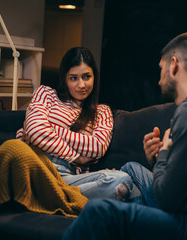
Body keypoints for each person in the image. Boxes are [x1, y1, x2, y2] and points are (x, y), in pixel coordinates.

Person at [62, 33, 187, 240]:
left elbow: (167, 200)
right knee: (130, 168)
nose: (159, 78)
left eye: (161, 68)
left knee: (98, 211)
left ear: (174, 65)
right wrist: (156, 159)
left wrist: (164, 153)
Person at [16, 47, 137, 201]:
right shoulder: (46, 94)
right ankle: (58, 195)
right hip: (35, 165)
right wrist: (75, 157)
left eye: (86, 77)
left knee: (121, 179)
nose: (81, 85)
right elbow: (35, 129)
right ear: (65, 78)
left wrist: (48, 130)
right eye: (74, 78)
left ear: (94, 77)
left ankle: (52, 194)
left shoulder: (102, 112)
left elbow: (96, 148)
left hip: (66, 176)